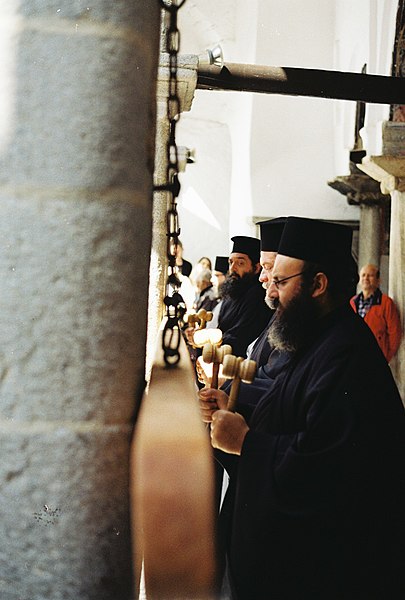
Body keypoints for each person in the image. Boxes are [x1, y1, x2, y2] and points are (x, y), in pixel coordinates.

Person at [199, 216, 405, 600]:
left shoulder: (346, 354)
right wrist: (231, 411)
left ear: (318, 284)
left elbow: (331, 468)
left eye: (280, 281)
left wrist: (247, 443)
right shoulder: (312, 337)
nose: (271, 293)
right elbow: (284, 415)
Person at [217, 236, 270, 357]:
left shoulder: (257, 295)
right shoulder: (232, 292)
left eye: (240, 263)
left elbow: (240, 336)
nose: (232, 268)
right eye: (231, 262)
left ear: (256, 268)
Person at [350, 263, 402, 362]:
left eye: (370, 275)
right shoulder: (352, 302)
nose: (366, 278)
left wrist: (385, 356)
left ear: (378, 281)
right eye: (363, 275)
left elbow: (395, 333)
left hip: (376, 357)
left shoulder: (386, 303)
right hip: (355, 357)